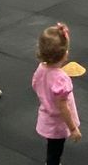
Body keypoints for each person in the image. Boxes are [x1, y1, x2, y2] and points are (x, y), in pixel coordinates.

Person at [32, 23, 81, 165]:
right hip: (58, 123)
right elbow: (63, 107)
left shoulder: (41, 69)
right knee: (55, 151)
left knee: (52, 147)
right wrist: (73, 128)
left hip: (47, 115)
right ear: (65, 54)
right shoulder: (61, 79)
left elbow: (35, 85)